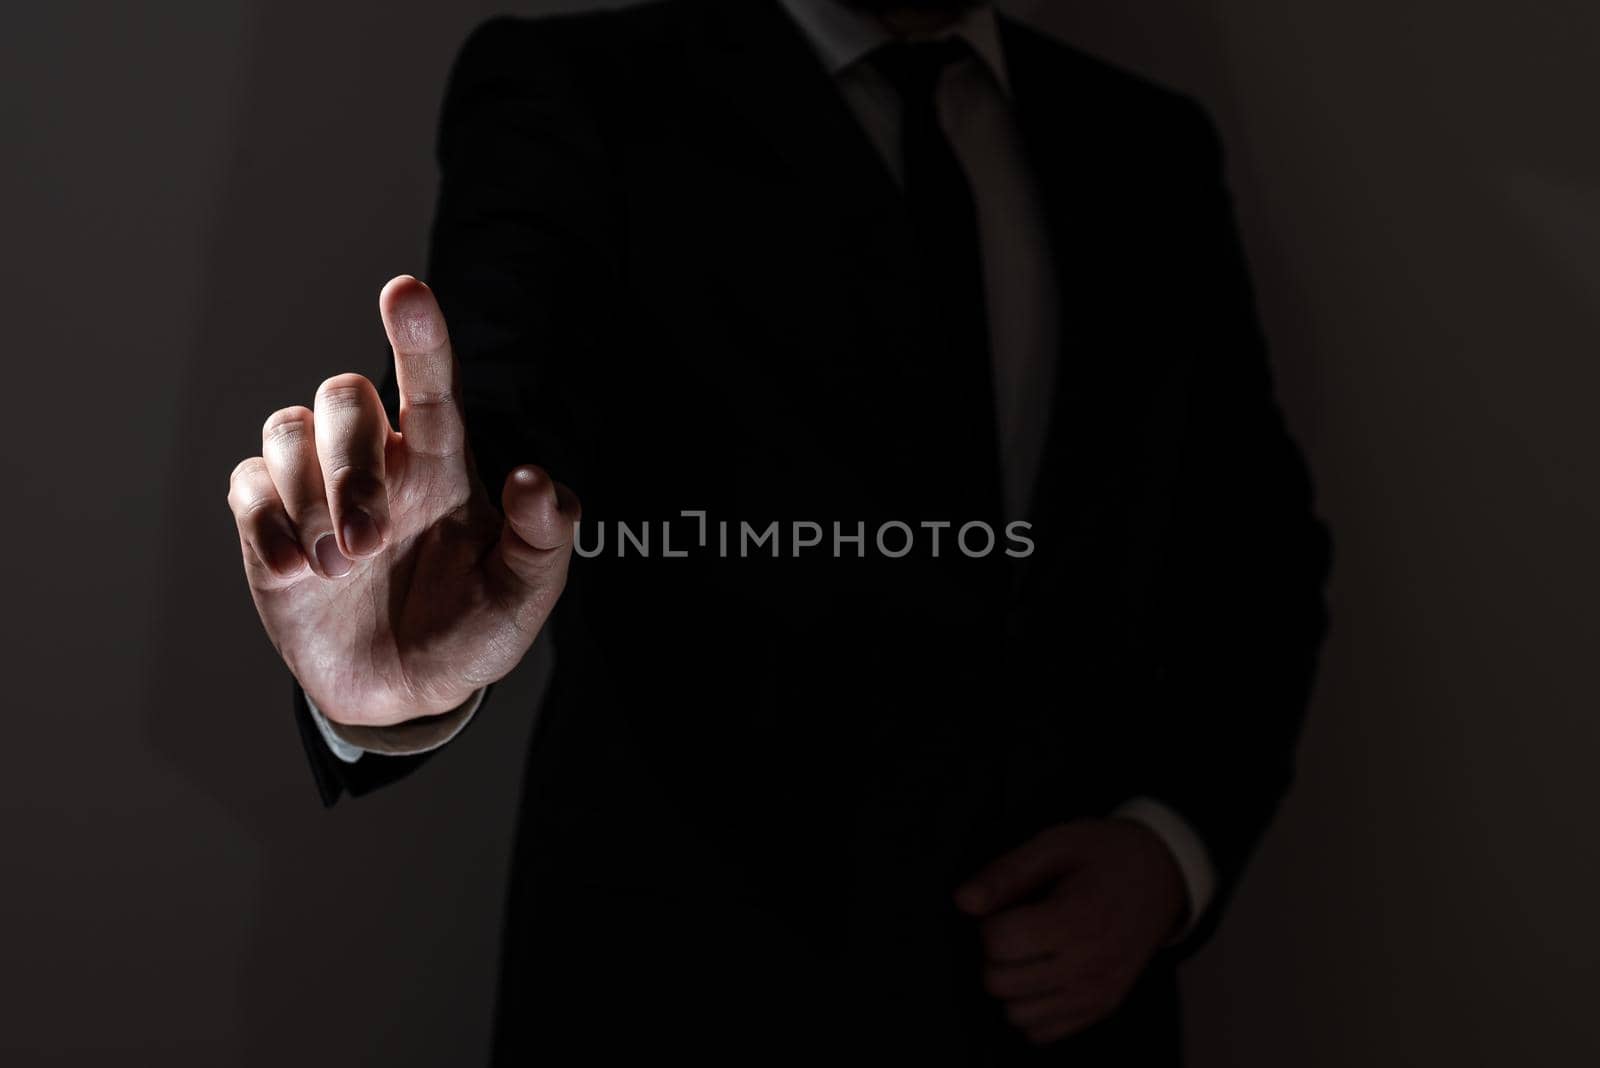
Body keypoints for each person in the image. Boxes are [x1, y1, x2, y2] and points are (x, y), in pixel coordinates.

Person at [224, 0, 1330, 1062]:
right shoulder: (575, 90)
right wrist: (402, 667)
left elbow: (1253, 558)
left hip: (1068, 1016)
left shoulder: (1150, 145)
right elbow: (478, 435)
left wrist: (1171, 849)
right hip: (683, 1001)